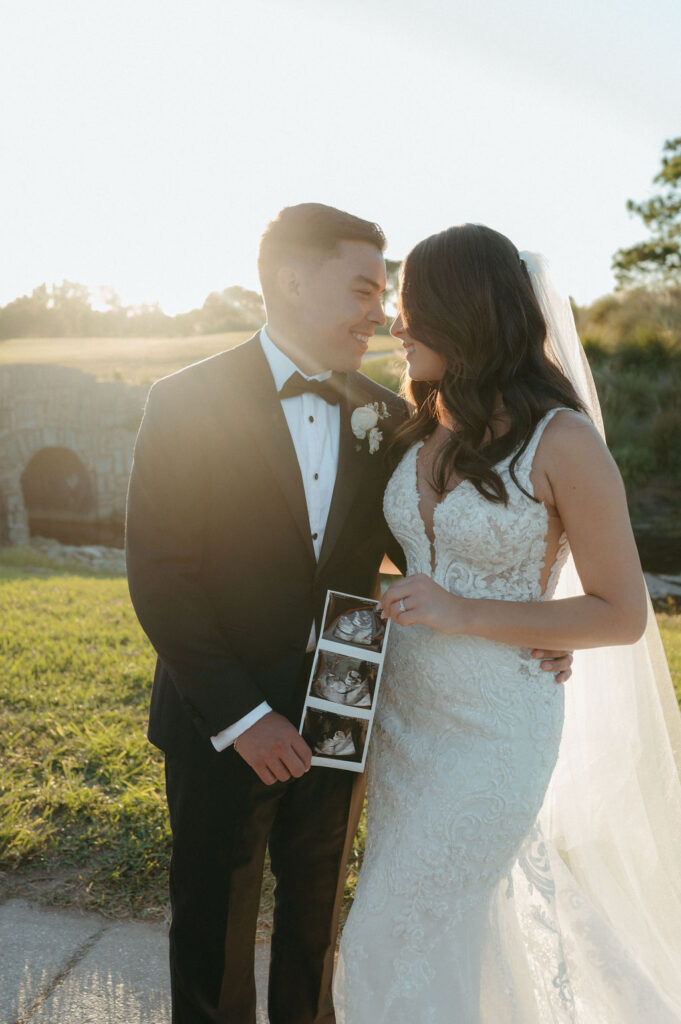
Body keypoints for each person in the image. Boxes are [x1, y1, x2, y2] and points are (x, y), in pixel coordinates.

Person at [126, 204, 572, 1024]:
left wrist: (532, 631)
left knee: (318, 928)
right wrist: (242, 718)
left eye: (386, 294)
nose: (385, 314)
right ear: (293, 282)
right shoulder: (184, 401)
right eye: (364, 290)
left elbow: (435, 550)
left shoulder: (394, 416)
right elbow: (161, 576)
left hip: (347, 707)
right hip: (218, 719)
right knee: (211, 929)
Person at [335, 224, 681, 1022]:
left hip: (495, 730)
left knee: (387, 934)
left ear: (465, 314)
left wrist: (467, 612)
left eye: (411, 308)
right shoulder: (419, 425)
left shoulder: (563, 442)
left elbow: (622, 613)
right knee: (448, 938)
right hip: (403, 723)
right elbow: (402, 555)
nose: (395, 325)